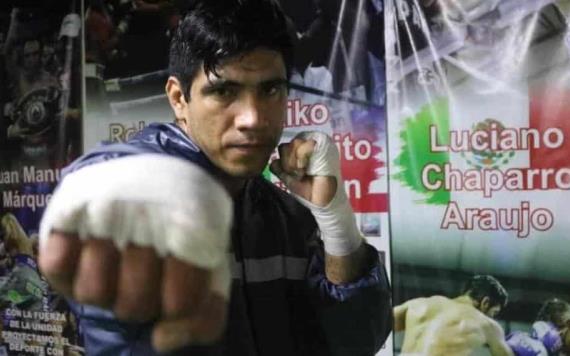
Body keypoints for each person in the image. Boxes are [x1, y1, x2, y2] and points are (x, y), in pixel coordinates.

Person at [37, 0, 392, 355]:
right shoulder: (135, 193)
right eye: (224, 91)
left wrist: (336, 219)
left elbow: (353, 341)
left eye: (270, 90)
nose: (252, 118)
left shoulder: (282, 216)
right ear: (179, 98)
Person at [393, 274, 513, 356]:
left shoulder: (419, 303)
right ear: (485, 302)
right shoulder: (487, 324)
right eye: (494, 312)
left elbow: (377, 323)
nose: (492, 317)